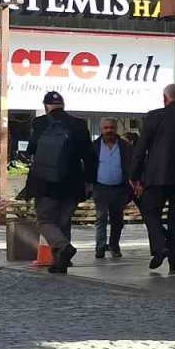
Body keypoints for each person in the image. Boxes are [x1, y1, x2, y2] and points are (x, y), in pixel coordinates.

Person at [130, 85, 175, 274]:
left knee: (149, 210)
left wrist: (134, 175)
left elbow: (141, 148)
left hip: (156, 175)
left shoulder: (154, 117)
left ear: (165, 98)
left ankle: (161, 244)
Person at [22, 92, 97, 274]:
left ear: (46, 106)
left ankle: (63, 247)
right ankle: (60, 262)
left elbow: (31, 148)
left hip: (46, 181)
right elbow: (89, 156)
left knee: (45, 220)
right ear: (63, 105)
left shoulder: (40, 123)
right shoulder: (79, 124)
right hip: (72, 182)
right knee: (63, 221)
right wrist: (90, 181)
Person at [92, 118, 133, 259]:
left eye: (111, 127)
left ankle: (114, 246)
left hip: (119, 189)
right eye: (105, 128)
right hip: (100, 188)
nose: (109, 130)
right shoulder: (94, 146)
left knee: (117, 220)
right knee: (101, 218)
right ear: (101, 129)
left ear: (116, 129)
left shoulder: (125, 147)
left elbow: (131, 166)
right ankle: (100, 247)